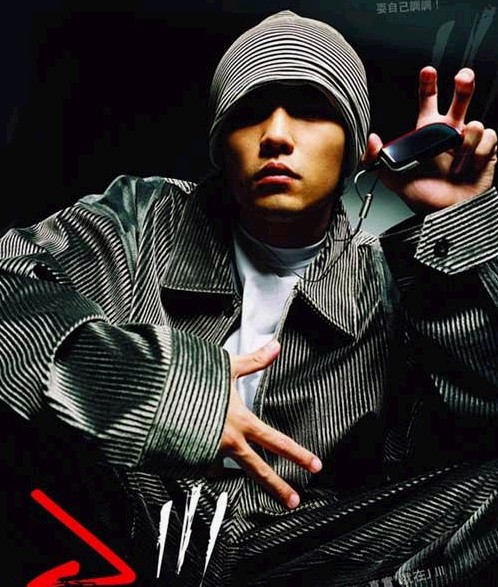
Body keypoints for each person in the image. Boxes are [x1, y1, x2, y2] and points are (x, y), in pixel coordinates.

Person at [1, 9, 497, 587]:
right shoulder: (138, 221)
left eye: (310, 110)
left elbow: (471, 429)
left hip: (288, 550)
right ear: (221, 144)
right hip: (107, 519)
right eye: (249, 112)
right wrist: (169, 393)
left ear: (358, 149)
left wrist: (457, 231)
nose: (276, 135)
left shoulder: (384, 286)